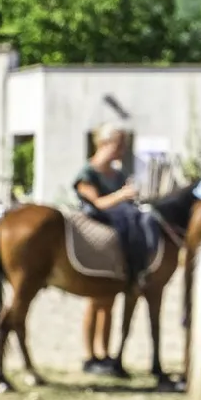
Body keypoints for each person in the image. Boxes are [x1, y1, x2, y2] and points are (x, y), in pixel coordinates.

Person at [74, 126, 138, 375]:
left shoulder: (118, 174)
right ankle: (89, 355)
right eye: (119, 144)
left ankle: (104, 353)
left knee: (109, 299)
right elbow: (96, 203)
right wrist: (123, 195)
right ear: (104, 143)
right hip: (93, 238)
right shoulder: (87, 173)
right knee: (95, 298)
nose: (122, 150)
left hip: (115, 239)